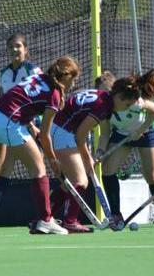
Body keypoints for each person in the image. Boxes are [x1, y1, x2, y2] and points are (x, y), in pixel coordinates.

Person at [0, 56, 80, 236]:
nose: (74, 84)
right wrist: (53, 158)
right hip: (9, 122)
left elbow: (22, 102)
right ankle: (45, 220)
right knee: (39, 168)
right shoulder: (55, 94)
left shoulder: (39, 78)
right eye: (73, 79)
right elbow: (45, 135)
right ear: (65, 76)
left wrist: (30, 127)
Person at [0, 33, 43, 228]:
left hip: (34, 127)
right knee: (6, 170)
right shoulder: (3, 74)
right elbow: (6, 103)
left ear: (26, 49)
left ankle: (50, 215)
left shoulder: (33, 70)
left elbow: (39, 100)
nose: (14, 50)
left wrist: (34, 125)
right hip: (13, 126)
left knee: (42, 168)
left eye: (18, 46)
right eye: (11, 47)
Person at [97, 70, 154, 230]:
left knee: (153, 176)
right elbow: (105, 133)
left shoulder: (135, 101)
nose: (105, 95)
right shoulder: (102, 107)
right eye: (101, 91)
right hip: (121, 134)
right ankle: (116, 215)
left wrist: (140, 130)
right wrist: (100, 151)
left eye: (108, 91)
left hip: (145, 132)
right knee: (108, 170)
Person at [49, 85, 114, 233]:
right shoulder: (104, 105)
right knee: (81, 181)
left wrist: (97, 153)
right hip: (63, 131)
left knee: (70, 184)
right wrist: (87, 158)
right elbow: (80, 135)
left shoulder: (101, 98)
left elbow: (103, 132)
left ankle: (44, 217)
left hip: (60, 129)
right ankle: (70, 221)